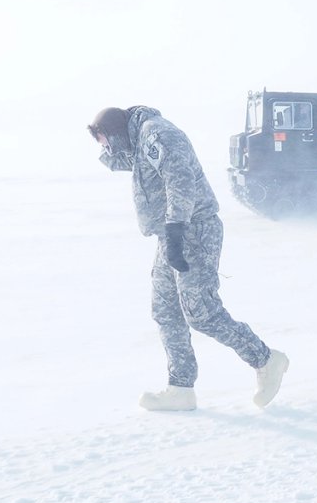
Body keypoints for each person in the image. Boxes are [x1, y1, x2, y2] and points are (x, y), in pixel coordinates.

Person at [88, 106, 288, 411]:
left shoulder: (157, 134)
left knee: (201, 312)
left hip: (193, 229)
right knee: (166, 310)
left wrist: (177, 230)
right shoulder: (141, 140)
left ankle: (266, 360)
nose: (104, 147)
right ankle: (181, 388)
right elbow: (127, 161)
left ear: (116, 133)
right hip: (172, 233)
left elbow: (179, 179)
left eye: (104, 141)